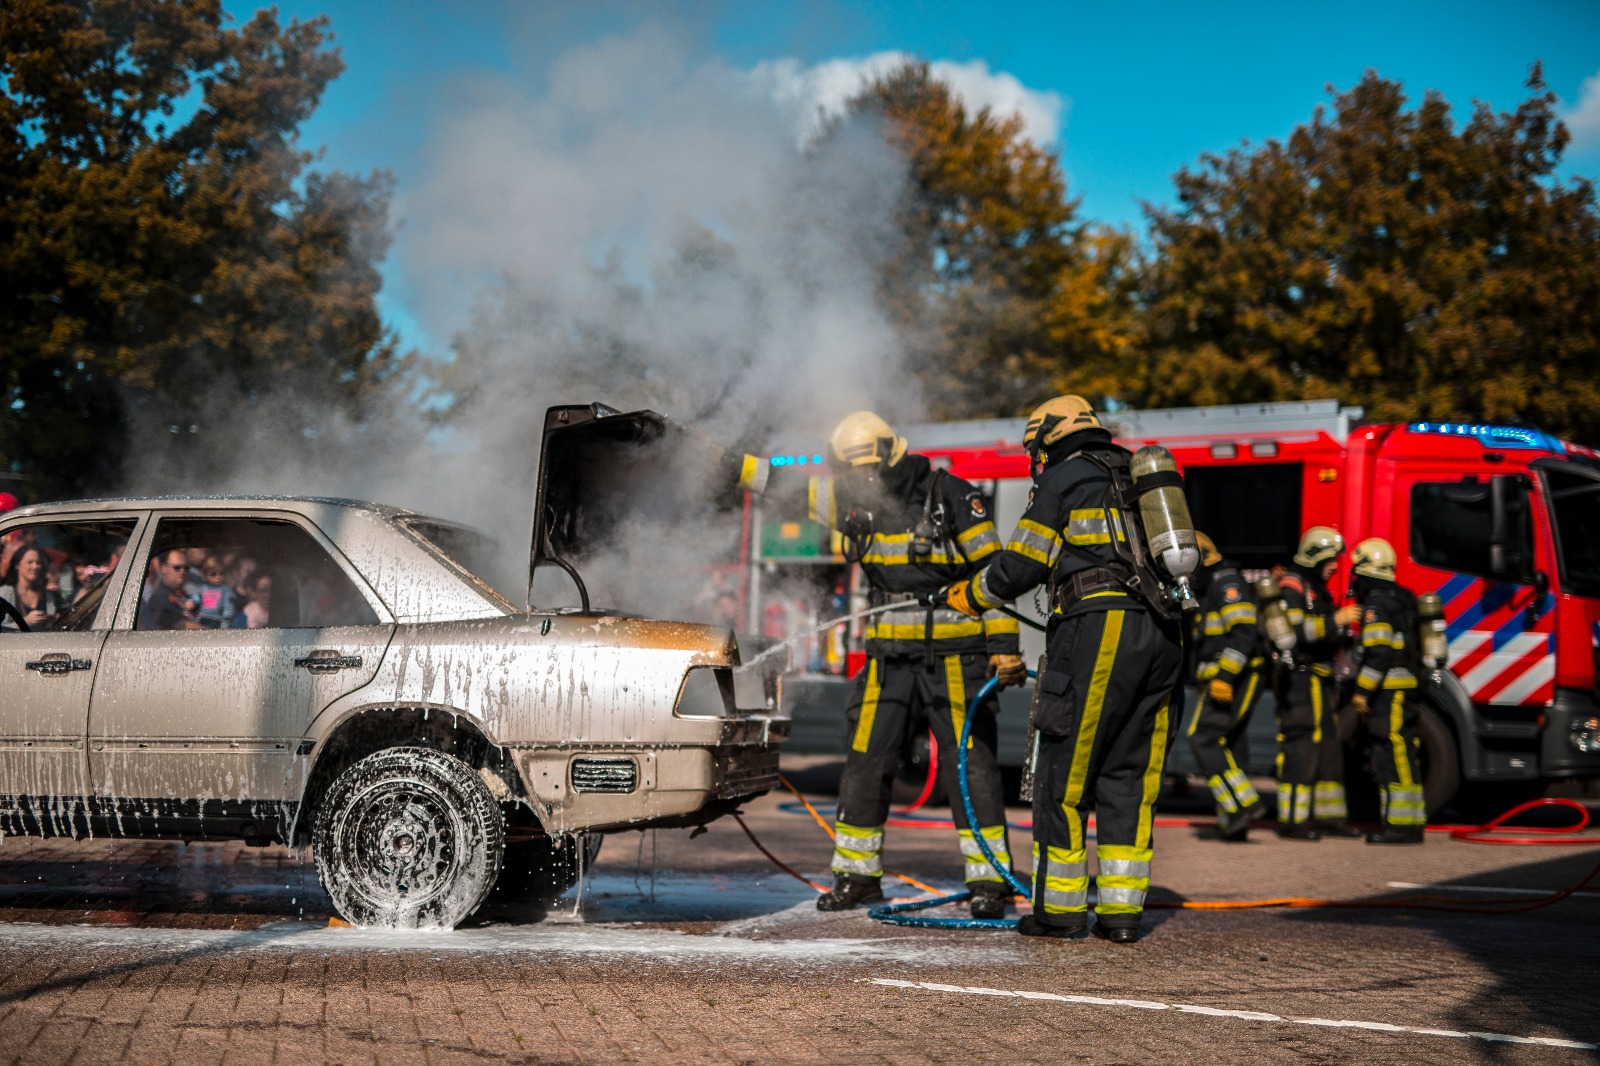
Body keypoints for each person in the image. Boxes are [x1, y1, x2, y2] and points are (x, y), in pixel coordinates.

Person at [734, 412, 1022, 918]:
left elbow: (993, 573)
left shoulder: (951, 496)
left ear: (891, 456)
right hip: (888, 662)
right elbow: (782, 484)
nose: (863, 481)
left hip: (956, 659)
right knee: (866, 761)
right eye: (853, 472)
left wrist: (1004, 646)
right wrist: (720, 460)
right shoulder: (851, 498)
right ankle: (857, 877)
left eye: (869, 470)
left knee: (969, 766)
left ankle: (991, 883)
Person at [943, 395, 1185, 944]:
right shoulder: (1139, 474)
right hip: (1164, 632)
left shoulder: (1064, 478)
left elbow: (1021, 564)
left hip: (1100, 628)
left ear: (1049, 438)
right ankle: (1121, 916)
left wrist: (970, 595)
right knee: (1130, 777)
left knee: (1063, 776)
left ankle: (1059, 912)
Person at [1276, 527, 1364, 838]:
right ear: (1314, 557)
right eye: (1330, 560)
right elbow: (1294, 631)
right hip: (1300, 679)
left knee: (1328, 745)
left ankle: (1330, 817)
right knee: (1302, 746)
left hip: (1322, 679)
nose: (1335, 566)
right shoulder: (1292, 585)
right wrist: (1336, 620)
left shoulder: (1316, 588)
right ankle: (1293, 821)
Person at [1185, 532, 1267, 841]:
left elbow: (1244, 633)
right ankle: (1234, 824)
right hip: (1226, 676)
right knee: (1230, 745)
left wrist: (1224, 677)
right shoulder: (1212, 586)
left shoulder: (1226, 584)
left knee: (1203, 737)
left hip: (1236, 676)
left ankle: (1243, 805)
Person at [1347, 538, 1427, 844]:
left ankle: (1400, 826)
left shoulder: (1377, 603)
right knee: (1405, 750)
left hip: (1389, 691)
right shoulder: (1403, 597)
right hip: (1407, 688)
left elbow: (1379, 653)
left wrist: (1362, 692)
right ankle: (1410, 820)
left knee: (1393, 752)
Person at [0, 545, 64, 631]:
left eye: (38, 563)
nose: (35, 566)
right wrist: (23, 623)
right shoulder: (5, 592)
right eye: (30, 562)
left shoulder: (48, 595)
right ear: (17, 565)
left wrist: (54, 621)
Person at [137, 549, 204, 631]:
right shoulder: (160, 598)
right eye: (177, 568)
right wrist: (212, 631)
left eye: (186, 568)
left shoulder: (189, 596)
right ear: (164, 568)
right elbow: (180, 625)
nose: (182, 571)